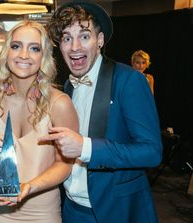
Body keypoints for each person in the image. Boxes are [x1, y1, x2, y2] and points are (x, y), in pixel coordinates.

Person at [43, 1, 163, 223]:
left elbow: (151, 151)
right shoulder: (68, 87)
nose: (75, 46)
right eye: (67, 38)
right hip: (71, 208)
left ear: (99, 40)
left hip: (114, 211)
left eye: (84, 36)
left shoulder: (129, 80)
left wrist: (85, 147)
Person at [0, 20, 78, 222]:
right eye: (16, 46)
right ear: (7, 52)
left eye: (34, 48)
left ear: (44, 57)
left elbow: (65, 165)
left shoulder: (59, 103)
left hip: (42, 211)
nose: (24, 55)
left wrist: (29, 186)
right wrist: (2, 161)